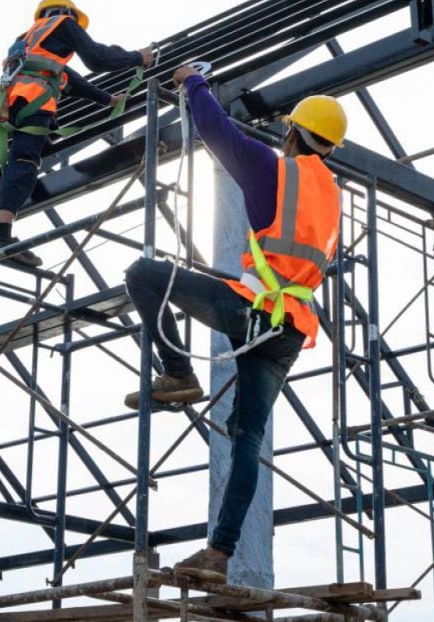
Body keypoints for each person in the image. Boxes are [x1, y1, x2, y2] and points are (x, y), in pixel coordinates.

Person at [122, 65, 346, 581]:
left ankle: (178, 372)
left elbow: (216, 130)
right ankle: (219, 554)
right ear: (330, 148)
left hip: (253, 311)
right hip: (289, 329)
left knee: (144, 276)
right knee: (246, 436)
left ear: (292, 132)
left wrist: (192, 82)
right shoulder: (330, 194)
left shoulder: (274, 169)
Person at [0, 0, 153, 266]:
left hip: (11, 103)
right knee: (25, 161)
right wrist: (138, 57)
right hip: (33, 99)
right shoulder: (64, 23)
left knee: (21, 160)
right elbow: (98, 58)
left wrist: (107, 99)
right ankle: (2, 236)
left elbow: (67, 78)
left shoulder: (27, 40)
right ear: (68, 14)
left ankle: (2, 232)